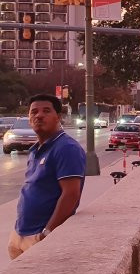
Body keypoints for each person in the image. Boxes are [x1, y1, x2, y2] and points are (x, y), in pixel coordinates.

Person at [7, 94, 86, 260]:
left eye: (46, 111)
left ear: (58, 117)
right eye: (33, 112)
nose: (39, 115)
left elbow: (71, 194)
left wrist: (47, 233)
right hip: (20, 234)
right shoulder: (35, 149)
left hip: (39, 237)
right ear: (29, 118)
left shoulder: (66, 148)